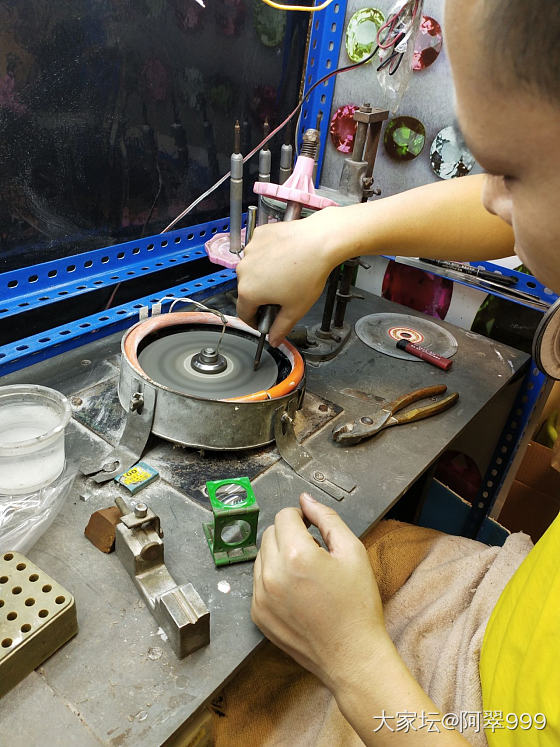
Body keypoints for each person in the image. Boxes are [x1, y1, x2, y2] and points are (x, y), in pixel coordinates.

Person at [217, 0, 560, 744]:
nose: (490, 198)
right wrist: (330, 234)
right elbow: (514, 203)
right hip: (509, 615)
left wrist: (352, 659)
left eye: (506, 171)